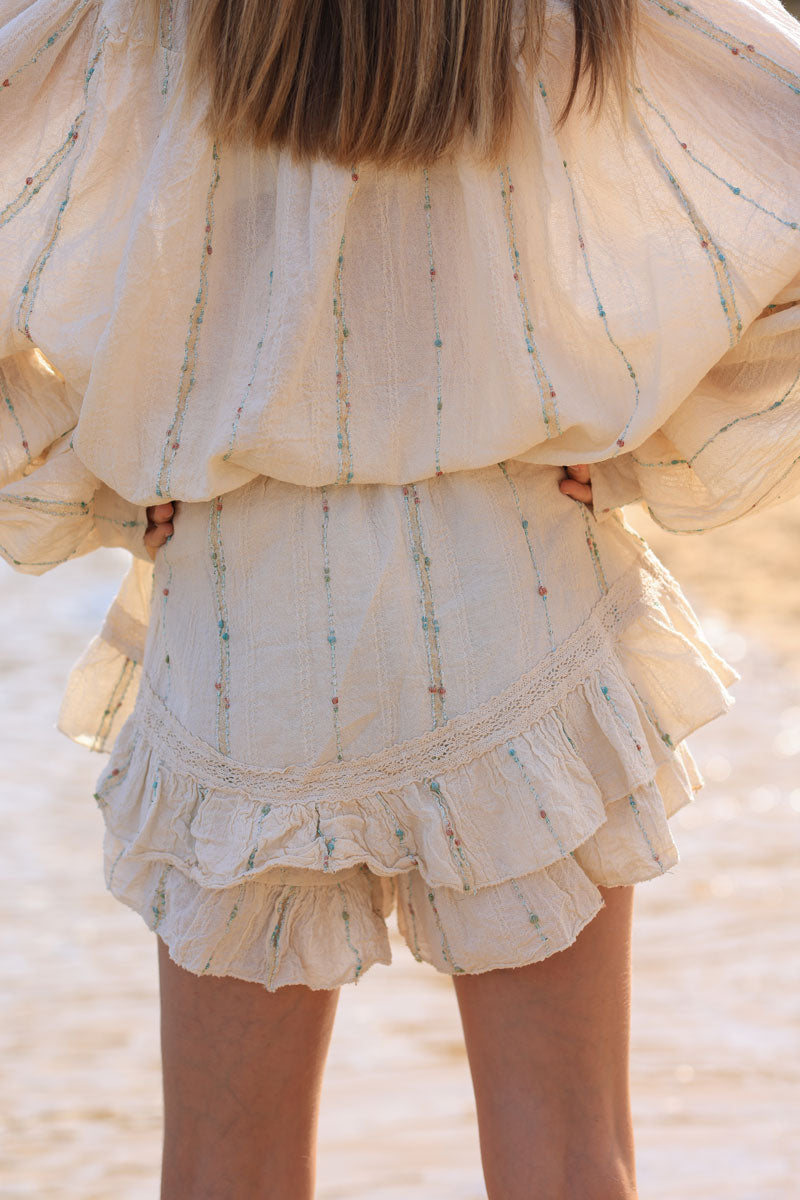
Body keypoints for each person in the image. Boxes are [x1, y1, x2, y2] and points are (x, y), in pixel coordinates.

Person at [1, 0, 799, 1195]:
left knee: (224, 1168)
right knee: (570, 1161)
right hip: (512, 579)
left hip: (242, 617)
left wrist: (72, 475)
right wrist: (660, 444)